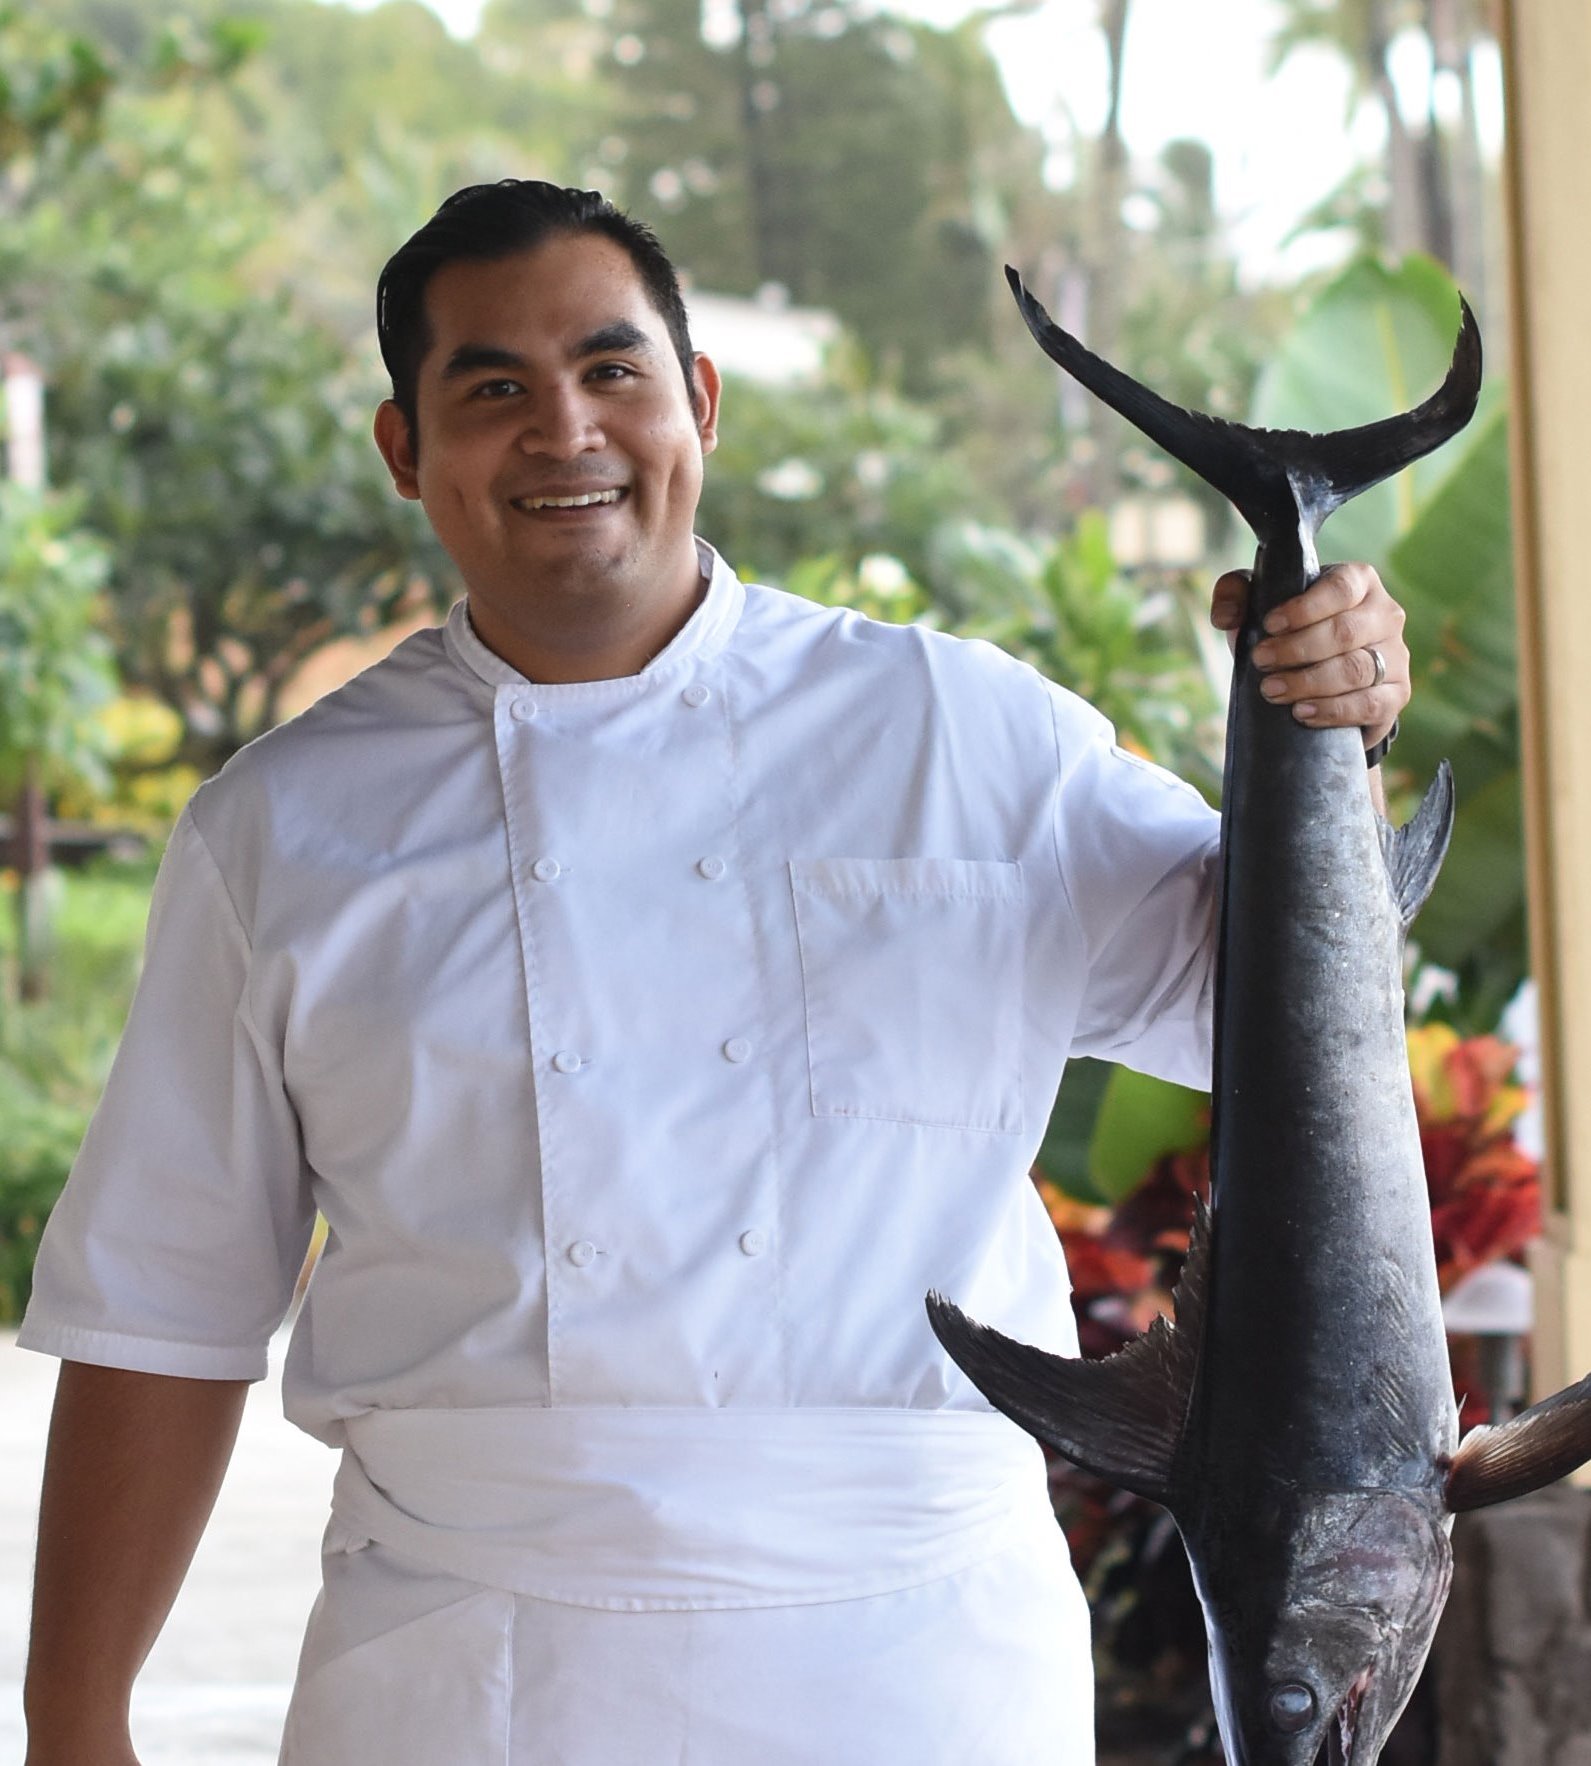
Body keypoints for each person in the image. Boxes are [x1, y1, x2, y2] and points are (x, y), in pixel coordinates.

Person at [19, 181, 1412, 1766]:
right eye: (493, 388)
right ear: (405, 449)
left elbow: (1291, 1026)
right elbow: (164, 1304)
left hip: (922, 1656)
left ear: (702, 401)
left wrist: (1335, 721)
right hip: (469, 1660)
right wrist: (74, 1716)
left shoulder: (967, 733)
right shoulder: (278, 830)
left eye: (615, 370)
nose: (566, 430)